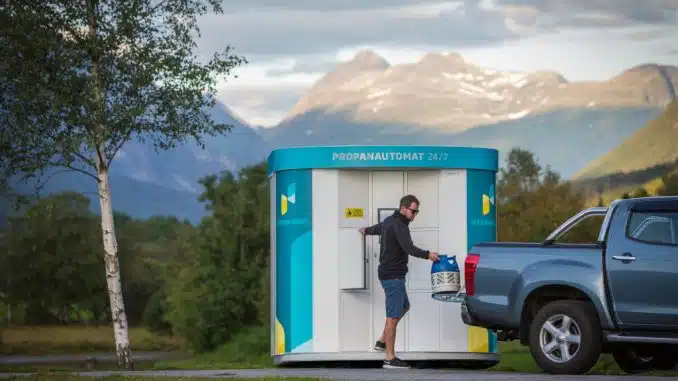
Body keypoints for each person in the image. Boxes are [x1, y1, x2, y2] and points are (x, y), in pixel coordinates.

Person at [359, 194, 439, 369]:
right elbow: (409, 248)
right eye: (413, 211)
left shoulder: (389, 221)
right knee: (393, 317)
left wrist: (365, 230)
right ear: (404, 208)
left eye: (416, 211)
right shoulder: (400, 225)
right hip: (393, 276)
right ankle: (389, 358)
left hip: (390, 274)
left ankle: (382, 341)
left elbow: (377, 228)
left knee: (403, 307)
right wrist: (429, 255)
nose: (415, 215)